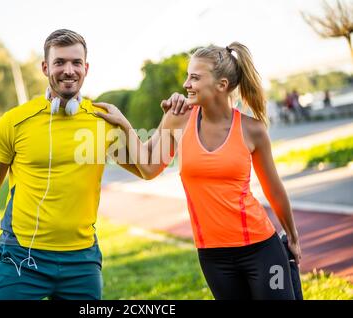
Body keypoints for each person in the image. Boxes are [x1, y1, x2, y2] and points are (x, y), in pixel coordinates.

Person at [95, 42, 301, 300]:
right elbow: (148, 167)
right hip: (213, 256)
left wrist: (292, 236)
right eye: (187, 76)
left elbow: (273, 188)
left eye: (194, 77)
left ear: (221, 85)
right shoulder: (178, 118)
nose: (186, 84)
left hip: (261, 248)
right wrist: (121, 127)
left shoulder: (252, 130)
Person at [0, 29, 147, 300]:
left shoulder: (103, 121)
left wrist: (172, 120)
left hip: (81, 261)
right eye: (59, 62)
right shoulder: (15, 121)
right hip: (21, 257)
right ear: (45, 67)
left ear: (86, 68)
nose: (68, 70)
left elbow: (148, 167)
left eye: (76, 62)